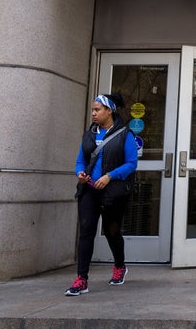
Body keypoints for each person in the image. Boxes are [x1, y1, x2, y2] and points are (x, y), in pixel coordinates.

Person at [64, 93, 138, 296]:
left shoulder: (125, 134)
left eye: (97, 110)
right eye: (93, 110)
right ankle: (82, 279)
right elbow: (81, 160)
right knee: (86, 232)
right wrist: (79, 174)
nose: (94, 113)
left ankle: (120, 266)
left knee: (112, 230)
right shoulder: (89, 135)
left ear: (109, 111)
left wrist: (109, 176)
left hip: (113, 192)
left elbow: (131, 164)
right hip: (89, 190)